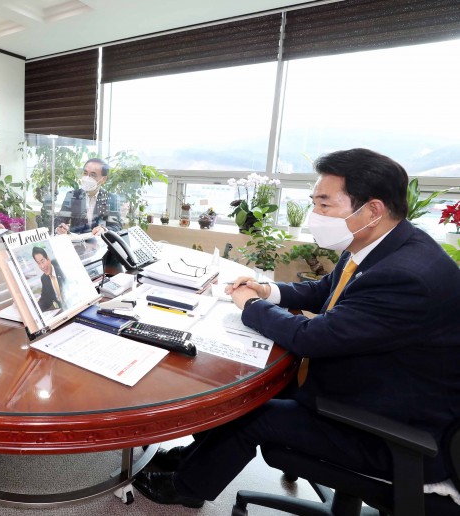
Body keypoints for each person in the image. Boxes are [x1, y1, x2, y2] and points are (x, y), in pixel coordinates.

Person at [132, 148, 460, 508]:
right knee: (237, 385)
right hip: (371, 383)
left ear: (373, 210)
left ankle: (187, 488)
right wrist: (267, 291)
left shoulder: (406, 275)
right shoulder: (381, 244)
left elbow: (311, 338)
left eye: (324, 204)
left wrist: (250, 305)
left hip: (390, 429)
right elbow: (326, 291)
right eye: (313, 203)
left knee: (252, 412)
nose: (314, 214)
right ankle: (193, 459)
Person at [54, 158, 122, 236]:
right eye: (85, 173)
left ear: (103, 179)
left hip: (99, 241)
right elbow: (59, 220)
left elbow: (117, 226)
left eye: (93, 175)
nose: (87, 178)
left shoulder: (111, 198)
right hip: (76, 241)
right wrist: (59, 228)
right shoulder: (72, 195)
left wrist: (104, 229)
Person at [32, 246, 66, 311]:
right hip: (63, 311)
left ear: (48, 259)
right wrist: (35, 310)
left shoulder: (61, 266)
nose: (42, 266)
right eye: (39, 263)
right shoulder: (44, 278)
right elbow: (44, 299)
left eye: (43, 261)